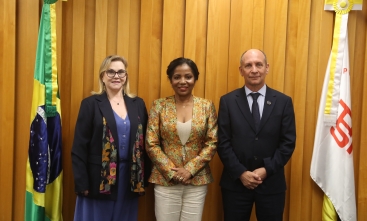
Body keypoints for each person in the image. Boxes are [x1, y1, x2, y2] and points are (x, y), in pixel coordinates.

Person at [217, 49, 296, 221]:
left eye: (259, 64)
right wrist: (241, 173)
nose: (254, 70)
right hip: (236, 184)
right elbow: (222, 142)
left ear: (267, 68)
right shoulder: (228, 101)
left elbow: (288, 143)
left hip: (271, 184)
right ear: (241, 70)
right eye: (248, 65)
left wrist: (266, 169)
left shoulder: (283, 102)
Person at [71, 55, 150, 221]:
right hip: (98, 180)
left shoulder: (138, 104)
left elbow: (145, 144)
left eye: (121, 72)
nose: (116, 76)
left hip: (130, 178)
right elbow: (79, 147)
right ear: (102, 76)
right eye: (111, 72)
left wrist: (145, 178)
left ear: (126, 76)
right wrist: (81, 182)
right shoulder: (90, 104)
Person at [145, 57, 218, 221]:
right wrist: (173, 172)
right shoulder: (159, 106)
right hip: (166, 180)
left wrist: (190, 170)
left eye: (188, 76)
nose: (182, 81)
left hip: (197, 180)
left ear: (195, 79)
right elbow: (151, 143)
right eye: (177, 77)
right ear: (170, 79)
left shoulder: (206, 106)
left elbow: (212, 142)